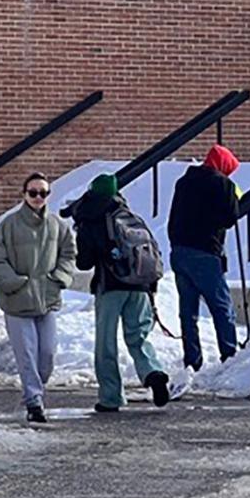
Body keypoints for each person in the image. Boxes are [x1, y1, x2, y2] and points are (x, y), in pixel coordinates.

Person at [0, 172, 77, 423]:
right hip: (17, 301)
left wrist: (59, 277)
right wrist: (13, 283)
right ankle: (34, 401)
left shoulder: (57, 225)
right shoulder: (9, 225)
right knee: (26, 353)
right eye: (33, 192)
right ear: (24, 194)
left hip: (47, 299)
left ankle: (34, 391)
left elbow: (69, 254)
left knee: (47, 355)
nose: (38, 197)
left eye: (43, 193)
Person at [72, 173, 169, 411]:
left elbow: (84, 263)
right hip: (140, 287)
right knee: (138, 337)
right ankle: (153, 372)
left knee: (106, 345)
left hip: (110, 287)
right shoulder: (128, 216)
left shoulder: (90, 217)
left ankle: (111, 397)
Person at [168, 144, 242, 370]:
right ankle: (229, 356)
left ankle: (192, 359)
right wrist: (234, 195)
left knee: (188, 312)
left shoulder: (183, 182)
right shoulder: (222, 184)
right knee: (221, 307)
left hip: (179, 250)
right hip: (205, 252)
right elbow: (231, 217)